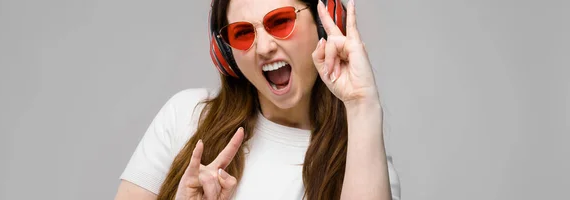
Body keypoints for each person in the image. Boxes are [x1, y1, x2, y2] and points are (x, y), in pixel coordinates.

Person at [114, 0, 401, 199]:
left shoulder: (365, 165)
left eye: (280, 22)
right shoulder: (186, 116)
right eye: (242, 33)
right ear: (226, 55)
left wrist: (362, 103)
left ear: (323, 25)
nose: (263, 47)